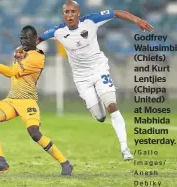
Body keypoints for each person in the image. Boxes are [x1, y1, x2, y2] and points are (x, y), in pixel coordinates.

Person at [22, 0, 154, 160]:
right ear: (63, 14)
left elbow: (116, 13)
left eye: (72, 12)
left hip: (99, 70)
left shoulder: (91, 21)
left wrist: (137, 20)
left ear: (78, 13)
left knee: (111, 105)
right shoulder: (58, 31)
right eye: (66, 12)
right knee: (100, 117)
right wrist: (21, 51)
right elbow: (36, 40)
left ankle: (125, 148)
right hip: (81, 79)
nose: (70, 15)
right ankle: (98, 101)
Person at [0, 25, 73, 175]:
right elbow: (13, 71)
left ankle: (65, 163)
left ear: (35, 38)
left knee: (34, 133)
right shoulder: (19, 51)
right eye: (22, 38)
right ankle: (0, 161)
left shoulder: (37, 57)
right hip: (11, 100)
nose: (24, 40)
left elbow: (11, 72)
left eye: (27, 37)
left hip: (27, 101)